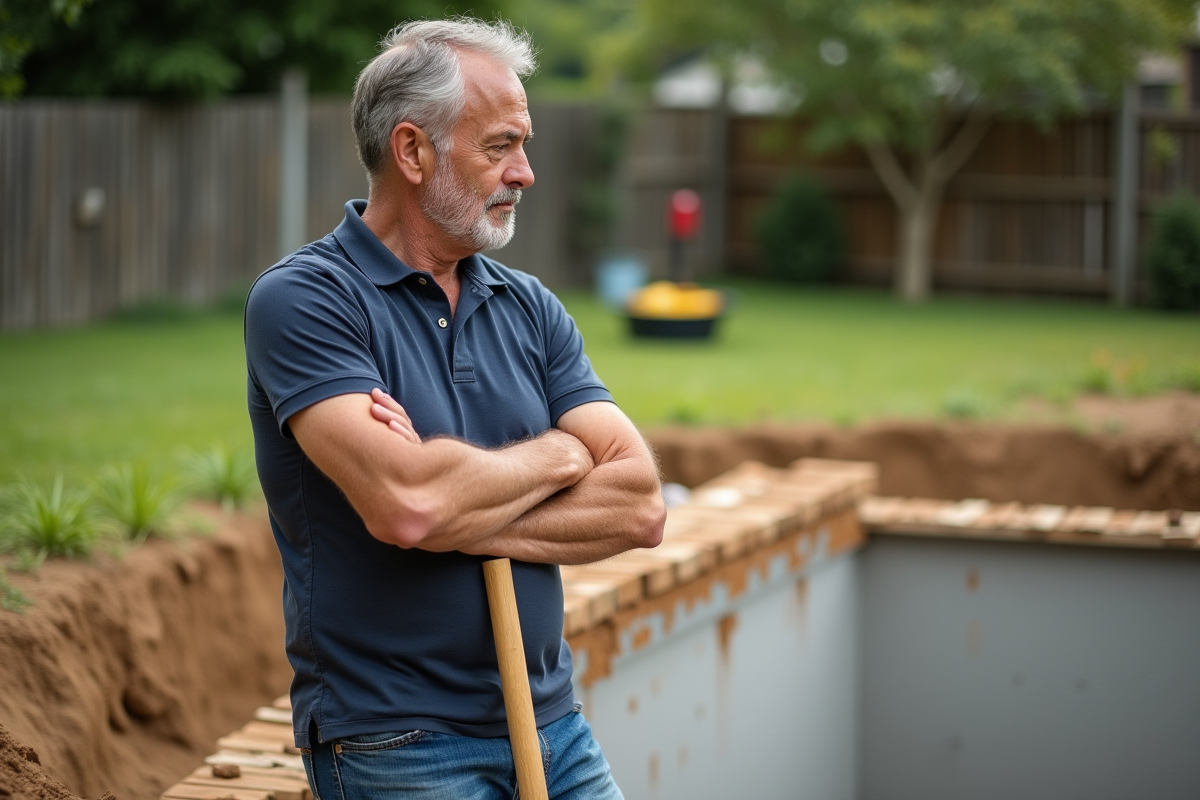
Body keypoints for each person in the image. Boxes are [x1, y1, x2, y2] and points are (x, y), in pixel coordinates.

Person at [243, 16, 665, 800]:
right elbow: (407, 506)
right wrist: (561, 457)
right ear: (413, 151)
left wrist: (454, 512)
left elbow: (640, 506)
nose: (526, 172)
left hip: (553, 726)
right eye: (500, 145)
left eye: (524, 144)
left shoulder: (528, 306)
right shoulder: (305, 301)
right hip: (398, 743)